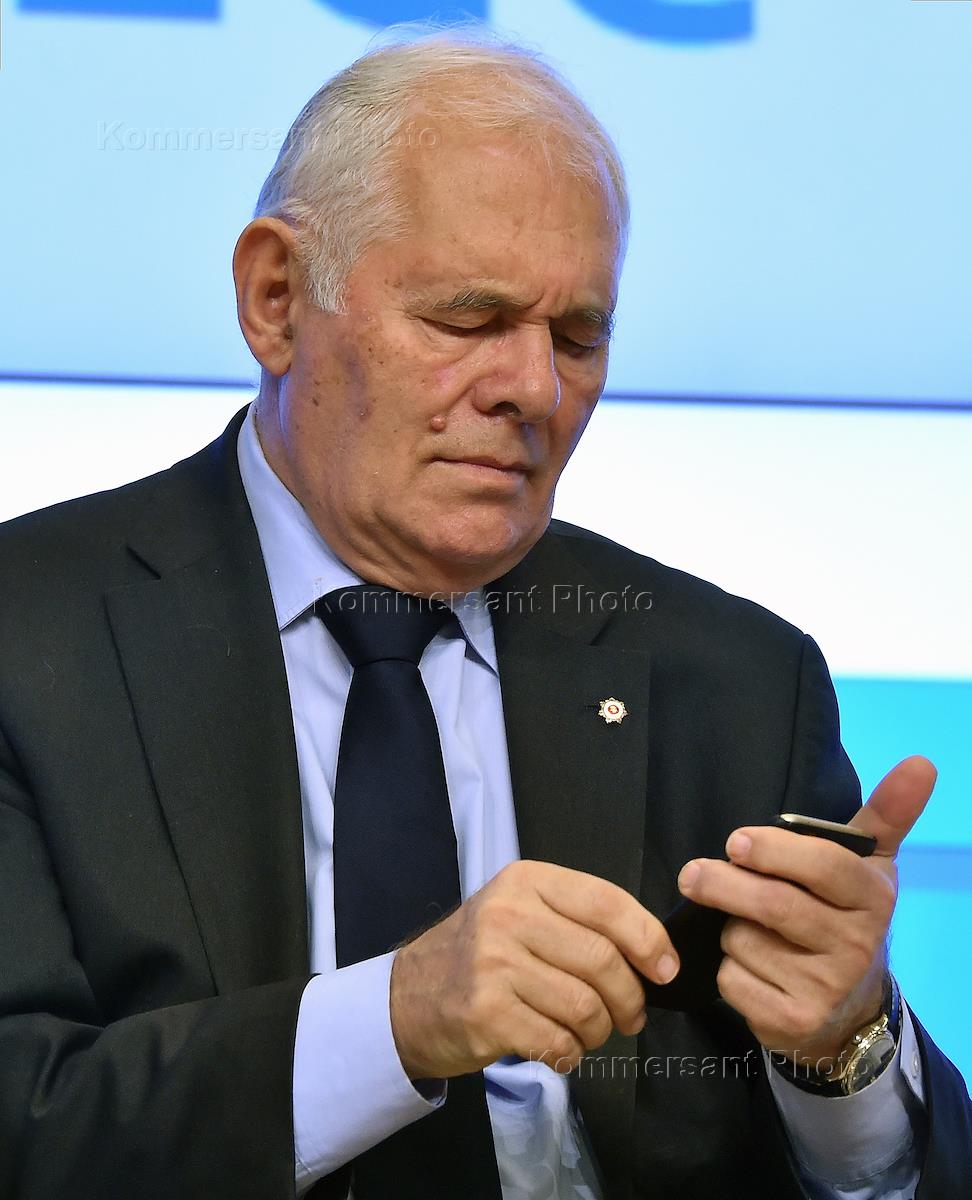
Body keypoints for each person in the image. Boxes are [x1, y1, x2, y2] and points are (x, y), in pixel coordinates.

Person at [0, 28, 969, 1200]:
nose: (534, 389)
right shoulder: (29, 639)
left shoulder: (739, 684)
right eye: (467, 320)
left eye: (579, 336)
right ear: (274, 299)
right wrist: (396, 1020)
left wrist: (844, 1048)